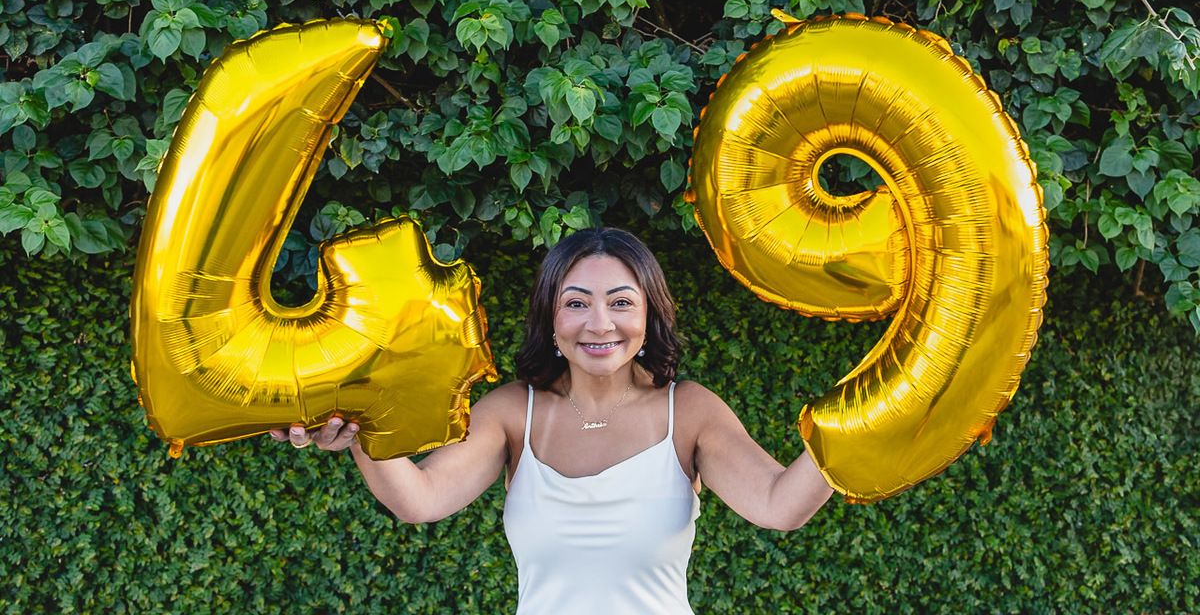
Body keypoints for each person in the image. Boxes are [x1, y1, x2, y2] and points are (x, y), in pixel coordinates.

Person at [271, 227, 833, 613]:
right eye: (576, 302)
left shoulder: (688, 411)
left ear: (649, 314)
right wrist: (362, 433)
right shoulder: (515, 411)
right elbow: (420, 500)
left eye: (620, 302)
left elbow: (780, 506)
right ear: (552, 318)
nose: (599, 323)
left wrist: (862, 419)